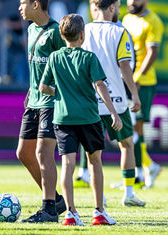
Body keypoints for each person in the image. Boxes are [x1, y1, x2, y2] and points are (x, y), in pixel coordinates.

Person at [39, 13, 122, 226]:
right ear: (83, 35)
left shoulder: (55, 57)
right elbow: (100, 85)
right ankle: (99, 212)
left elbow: (43, 87)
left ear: (62, 34)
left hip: (63, 118)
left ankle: (70, 213)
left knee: (67, 164)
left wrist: (58, 93)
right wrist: (113, 112)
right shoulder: (89, 58)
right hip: (89, 117)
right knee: (95, 162)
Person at [81, 0, 146, 207]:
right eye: (118, 6)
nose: (119, 10)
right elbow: (124, 66)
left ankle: (99, 196)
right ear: (111, 7)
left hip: (90, 99)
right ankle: (128, 193)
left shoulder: (83, 30)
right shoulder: (119, 32)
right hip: (116, 99)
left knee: (93, 152)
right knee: (126, 144)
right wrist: (134, 93)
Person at [16, 0, 66, 223]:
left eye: (23, 3)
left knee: (43, 153)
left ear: (36, 4)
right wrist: (31, 89)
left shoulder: (57, 32)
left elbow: (66, 68)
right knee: (24, 153)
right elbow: (37, 67)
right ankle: (56, 199)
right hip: (33, 100)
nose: (19, 8)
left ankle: (48, 209)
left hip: (53, 101)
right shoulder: (30, 30)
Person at [122, 0, 163, 188]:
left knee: (135, 128)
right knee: (129, 129)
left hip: (143, 82)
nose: (131, 2)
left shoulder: (153, 21)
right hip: (127, 81)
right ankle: (145, 167)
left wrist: (136, 78)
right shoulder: (127, 19)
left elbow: (152, 53)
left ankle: (139, 172)